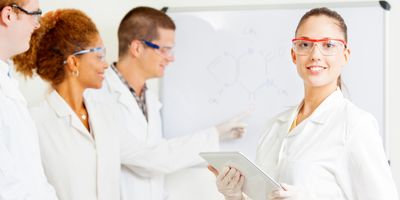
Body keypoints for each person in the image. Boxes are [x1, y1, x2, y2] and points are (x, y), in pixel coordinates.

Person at [13, 8, 218, 200]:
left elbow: (150, 155)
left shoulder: (104, 116)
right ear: (74, 62)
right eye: (99, 56)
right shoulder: (34, 121)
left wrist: (215, 136)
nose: (105, 63)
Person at [210, 7, 399, 200]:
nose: (315, 54)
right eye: (305, 45)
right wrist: (235, 196)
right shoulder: (274, 127)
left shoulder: (356, 125)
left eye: (329, 45)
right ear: (294, 55)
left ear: (345, 55)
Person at [84, 6, 248, 200]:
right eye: (165, 50)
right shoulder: (98, 96)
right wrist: (214, 134)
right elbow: (149, 160)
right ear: (137, 48)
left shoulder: (151, 101)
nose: (171, 58)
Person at [0, 0, 58, 199]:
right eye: (35, 14)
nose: (37, 24)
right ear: (8, 15)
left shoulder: (8, 82)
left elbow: (32, 176)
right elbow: (6, 186)